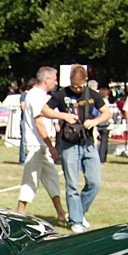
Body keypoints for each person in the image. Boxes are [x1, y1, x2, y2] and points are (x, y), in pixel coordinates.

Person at [42, 64, 111, 233]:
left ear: (86, 81)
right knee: (72, 184)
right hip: (69, 143)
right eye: (74, 85)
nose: (77, 88)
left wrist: (95, 122)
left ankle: (79, 211)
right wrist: (62, 115)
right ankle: (75, 220)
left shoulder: (92, 94)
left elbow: (107, 113)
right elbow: (44, 110)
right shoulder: (61, 94)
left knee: (94, 182)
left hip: (88, 143)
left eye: (80, 85)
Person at [17, 67, 67, 223]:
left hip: (41, 144)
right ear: (46, 80)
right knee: (30, 179)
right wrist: (50, 146)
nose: (56, 82)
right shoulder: (36, 96)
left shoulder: (38, 95)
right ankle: (19, 213)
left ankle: (60, 211)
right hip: (36, 144)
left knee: (52, 177)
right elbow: (39, 123)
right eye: (54, 79)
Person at [19, 78, 37, 164]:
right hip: (24, 121)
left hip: (30, 121)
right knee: (24, 140)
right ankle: (22, 159)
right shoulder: (24, 95)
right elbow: (23, 107)